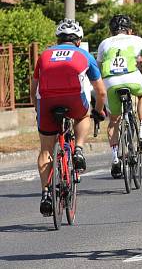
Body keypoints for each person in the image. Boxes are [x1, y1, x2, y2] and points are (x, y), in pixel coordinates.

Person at [33, 19, 107, 216]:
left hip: (47, 101)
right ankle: (79, 149)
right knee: (84, 116)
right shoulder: (84, 54)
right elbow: (100, 92)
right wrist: (98, 111)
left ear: (58, 39)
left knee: (46, 149)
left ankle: (46, 193)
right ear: (79, 40)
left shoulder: (44, 54)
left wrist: (38, 110)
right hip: (74, 99)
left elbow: (34, 89)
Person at [96, 15, 142, 178]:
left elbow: (98, 67)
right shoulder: (138, 40)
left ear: (111, 31)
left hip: (110, 81)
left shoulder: (104, 43)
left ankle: (114, 158)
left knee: (114, 120)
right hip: (131, 76)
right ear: (130, 30)